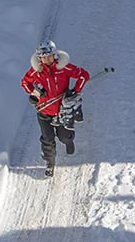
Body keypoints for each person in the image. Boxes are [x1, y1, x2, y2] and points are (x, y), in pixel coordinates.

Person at [20, 40, 90, 172]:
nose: (46, 59)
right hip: (44, 112)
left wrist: (75, 91)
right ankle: (50, 163)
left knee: (64, 135)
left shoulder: (64, 68)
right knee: (47, 139)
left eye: (49, 56)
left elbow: (83, 75)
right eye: (43, 57)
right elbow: (24, 83)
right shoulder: (35, 71)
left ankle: (69, 141)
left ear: (55, 55)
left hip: (62, 111)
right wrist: (35, 94)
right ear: (39, 58)